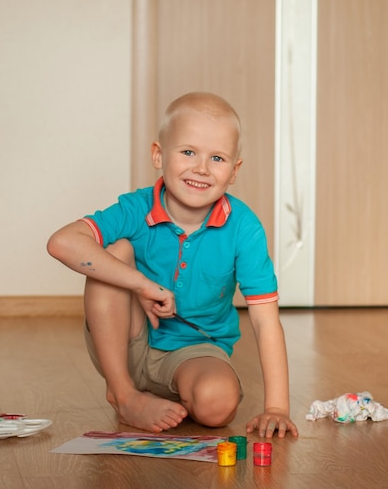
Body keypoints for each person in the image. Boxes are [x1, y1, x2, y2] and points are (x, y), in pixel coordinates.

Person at [47, 92, 298, 439]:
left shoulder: (244, 227)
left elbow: (265, 320)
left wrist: (277, 408)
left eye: (218, 158)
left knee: (218, 406)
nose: (202, 168)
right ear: (158, 155)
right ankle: (123, 394)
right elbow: (62, 242)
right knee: (115, 252)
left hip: (196, 351)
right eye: (188, 152)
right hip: (127, 341)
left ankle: (163, 395)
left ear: (235, 171)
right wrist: (142, 285)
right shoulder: (136, 208)